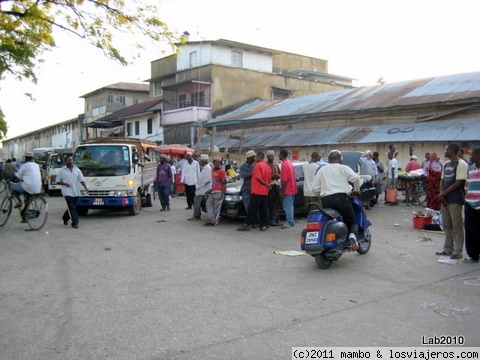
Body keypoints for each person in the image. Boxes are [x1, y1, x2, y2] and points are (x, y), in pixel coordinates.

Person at [312, 150, 363, 250]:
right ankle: (352, 236)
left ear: (329, 159)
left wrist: (321, 194)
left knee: (330, 220)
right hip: (342, 199)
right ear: (340, 159)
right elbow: (356, 179)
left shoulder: (322, 170)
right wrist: (356, 190)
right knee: (352, 221)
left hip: (326, 200)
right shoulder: (343, 168)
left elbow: (314, 189)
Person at [435, 143, 468, 260]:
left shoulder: (461, 164)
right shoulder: (446, 164)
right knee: (446, 225)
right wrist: (441, 195)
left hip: (455, 199)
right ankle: (447, 248)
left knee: (456, 225)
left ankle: (458, 251)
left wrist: (443, 194)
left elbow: (459, 182)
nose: (444, 151)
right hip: (445, 199)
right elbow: (442, 180)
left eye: (446, 150)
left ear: (452, 151)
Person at [237, 152, 272, 231]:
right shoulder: (267, 166)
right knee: (263, 208)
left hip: (257, 190)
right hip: (264, 191)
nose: (255, 159)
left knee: (252, 208)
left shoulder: (257, 165)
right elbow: (269, 178)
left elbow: (258, 178)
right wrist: (267, 184)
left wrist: (265, 184)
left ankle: (247, 224)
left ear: (259, 158)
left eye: (256, 157)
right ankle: (264, 224)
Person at [56, 155, 89, 228]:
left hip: (75, 191)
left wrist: (86, 187)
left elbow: (81, 180)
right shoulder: (62, 170)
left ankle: (65, 218)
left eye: (71, 160)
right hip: (67, 192)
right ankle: (75, 222)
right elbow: (57, 181)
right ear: (65, 161)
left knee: (72, 207)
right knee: (71, 207)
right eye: (68, 160)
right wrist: (64, 183)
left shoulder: (77, 170)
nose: (70, 161)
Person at [9, 152, 42, 223]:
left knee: (12, 186)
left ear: (26, 158)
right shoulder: (36, 165)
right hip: (37, 187)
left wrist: (10, 180)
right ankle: (25, 216)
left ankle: (19, 201)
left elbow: (17, 175)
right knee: (28, 199)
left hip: (28, 186)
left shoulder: (25, 165)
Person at [463, 147, 480, 263]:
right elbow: (466, 186)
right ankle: (473, 255)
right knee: (470, 231)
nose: (470, 156)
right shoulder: (471, 169)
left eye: (472, 154)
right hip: (470, 203)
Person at [205, 156, 227, 226]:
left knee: (216, 208)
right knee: (208, 204)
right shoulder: (211, 170)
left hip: (219, 191)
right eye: (216, 162)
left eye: (218, 162)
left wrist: (222, 192)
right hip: (212, 191)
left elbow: (224, 182)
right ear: (213, 163)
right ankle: (211, 218)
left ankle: (214, 221)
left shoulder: (221, 172)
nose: (217, 164)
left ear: (220, 164)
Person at [189, 154, 212, 221]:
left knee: (196, 201)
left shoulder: (208, 168)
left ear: (203, 162)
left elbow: (207, 180)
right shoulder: (205, 168)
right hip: (201, 188)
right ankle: (197, 214)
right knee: (199, 202)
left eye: (200, 161)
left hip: (204, 188)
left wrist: (199, 186)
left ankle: (196, 215)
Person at [279, 149, 297, 229]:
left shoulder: (284, 165)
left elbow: (284, 180)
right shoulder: (289, 163)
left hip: (287, 189)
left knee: (287, 206)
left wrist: (282, 191)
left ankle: (289, 222)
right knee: (290, 206)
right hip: (292, 188)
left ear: (281, 155)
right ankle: (291, 220)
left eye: (279, 154)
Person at [266, 150, 281, 227]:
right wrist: (273, 176)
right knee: (270, 203)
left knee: (276, 203)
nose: (271, 157)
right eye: (270, 156)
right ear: (267, 157)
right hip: (269, 185)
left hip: (276, 184)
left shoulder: (275, 165)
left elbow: (279, 173)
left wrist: (277, 176)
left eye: (272, 156)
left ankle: (275, 219)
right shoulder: (265, 165)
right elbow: (265, 177)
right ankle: (271, 220)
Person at [239, 150, 256, 216]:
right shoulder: (242, 167)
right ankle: (250, 220)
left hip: (254, 189)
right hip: (246, 189)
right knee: (248, 206)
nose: (254, 159)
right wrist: (254, 172)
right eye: (253, 157)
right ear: (249, 158)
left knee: (254, 206)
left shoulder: (255, 165)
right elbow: (244, 176)